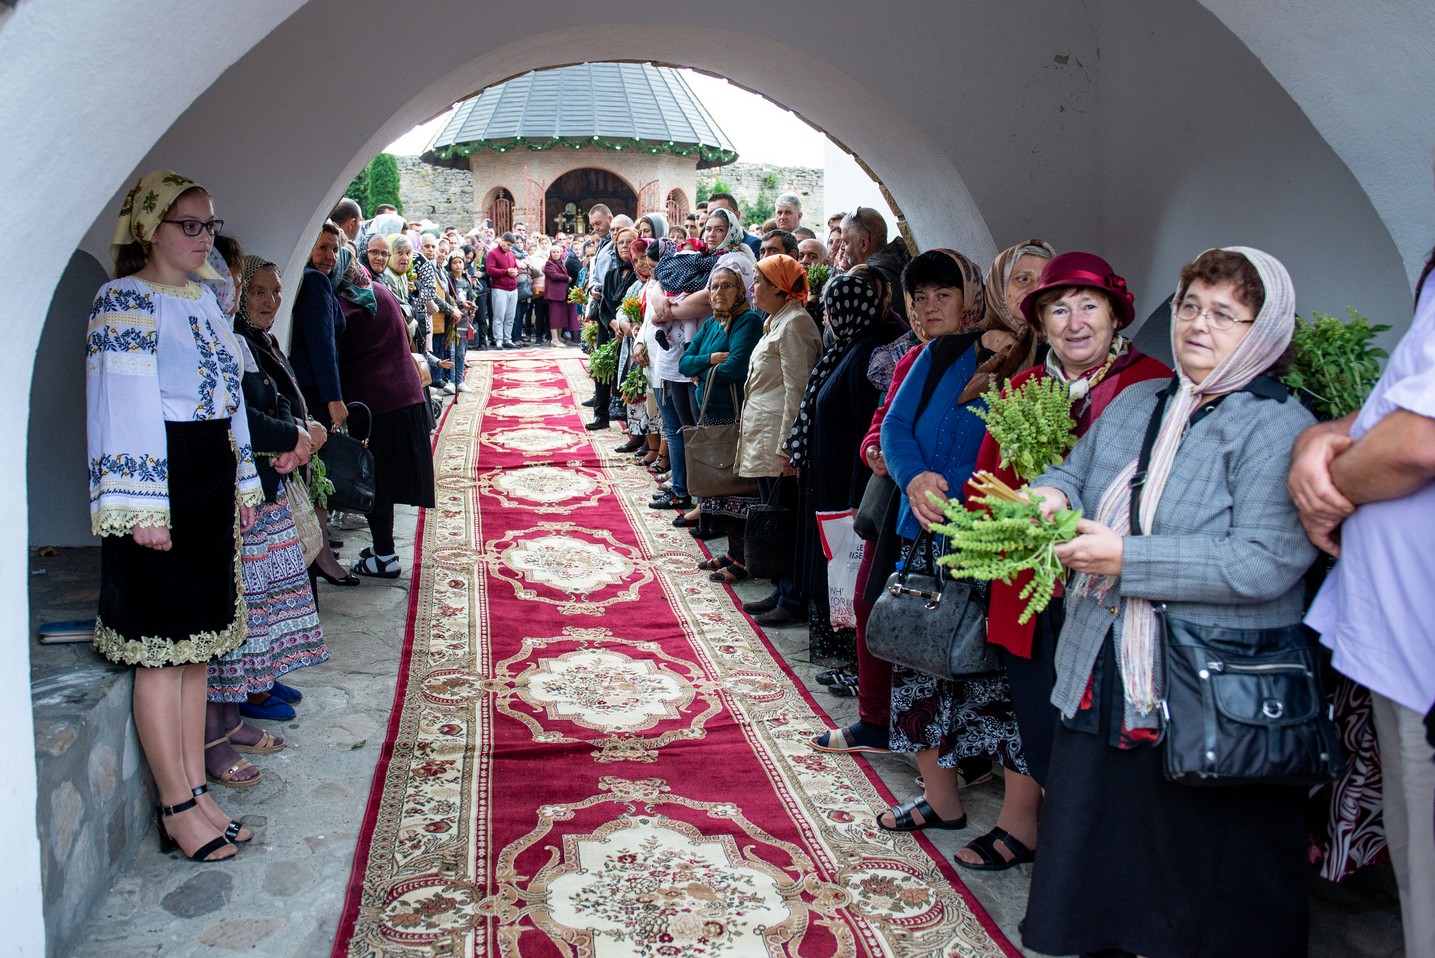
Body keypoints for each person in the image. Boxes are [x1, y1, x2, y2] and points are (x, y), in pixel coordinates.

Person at [1020, 247, 1317, 957]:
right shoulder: (1140, 400)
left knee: (1199, 874)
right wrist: (1052, 491)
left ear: (1264, 329)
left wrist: (1129, 561)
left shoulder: (1276, 424)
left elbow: (1266, 561)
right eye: (1188, 306)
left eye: (1223, 314)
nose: (1197, 326)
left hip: (1207, 689)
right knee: (1106, 850)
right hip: (1108, 665)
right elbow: (1076, 466)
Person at [950, 251, 1170, 872]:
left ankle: (1099, 867)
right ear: (1041, 325)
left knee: (1102, 743)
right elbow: (983, 486)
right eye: (1058, 309)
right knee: (1041, 728)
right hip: (1028, 594)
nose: (1075, 322)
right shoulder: (1021, 389)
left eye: (1089, 306)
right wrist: (1014, 518)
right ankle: (1057, 850)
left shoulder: (1152, 385)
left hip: (1110, 599)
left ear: (1115, 314)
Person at [88, 169, 259, 861]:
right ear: (148, 229)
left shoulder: (202, 299)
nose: (202, 237)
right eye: (188, 224)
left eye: (209, 224)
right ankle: (174, 806)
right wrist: (139, 507)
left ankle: (196, 789)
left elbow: (232, 400)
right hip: (159, 482)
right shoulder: (122, 301)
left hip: (207, 476)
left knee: (195, 652)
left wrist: (244, 482)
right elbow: (119, 407)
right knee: (162, 655)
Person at [1293, 243, 1435, 957]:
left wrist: (1328, 483)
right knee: (1416, 857)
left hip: (1421, 643)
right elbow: (1397, 406)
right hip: (1399, 639)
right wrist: (1325, 435)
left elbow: (1415, 442)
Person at [206, 248, 329, 786]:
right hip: (242, 483)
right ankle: (241, 702)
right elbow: (236, 411)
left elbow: (272, 397)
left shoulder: (252, 341)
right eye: (253, 290)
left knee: (272, 595)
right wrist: (292, 436)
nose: (265, 301)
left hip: (269, 476)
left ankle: (260, 682)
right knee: (251, 600)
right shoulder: (223, 338)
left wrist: (294, 432)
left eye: (273, 292)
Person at [786, 266, 901, 656]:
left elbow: (861, 429)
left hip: (842, 482)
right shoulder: (847, 347)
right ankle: (832, 647)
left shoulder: (866, 352)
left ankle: (849, 656)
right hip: (826, 475)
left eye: (830, 310)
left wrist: (856, 491)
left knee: (843, 568)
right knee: (829, 565)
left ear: (846, 311)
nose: (825, 318)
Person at [338, 243, 437, 579]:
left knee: (375, 480)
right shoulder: (377, 289)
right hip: (406, 394)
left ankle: (383, 555)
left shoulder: (342, 302)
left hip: (375, 402)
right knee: (388, 479)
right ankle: (384, 549)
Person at [735, 255, 823, 623]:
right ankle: (779, 587)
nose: (752, 288)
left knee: (783, 516)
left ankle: (792, 597)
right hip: (764, 432)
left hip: (780, 439)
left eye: (758, 281)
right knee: (773, 513)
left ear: (778, 287)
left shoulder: (796, 324)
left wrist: (791, 447)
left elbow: (798, 390)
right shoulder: (777, 320)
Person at [676, 263, 764, 573]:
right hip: (710, 416)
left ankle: (743, 559)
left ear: (741, 291)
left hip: (732, 418)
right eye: (714, 286)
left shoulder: (747, 321)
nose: (719, 292)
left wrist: (705, 370)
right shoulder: (714, 324)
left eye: (727, 286)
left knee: (737, 490)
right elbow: (684, 363)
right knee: (719, 491)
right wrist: (711, 361)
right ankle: (731, 552)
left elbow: (736, 368)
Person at [289, 223, 347, 430]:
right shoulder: (315, 281)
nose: (330, 257)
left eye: (335, 250)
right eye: (322, 248)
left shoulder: (304, 277)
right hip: (315, 387)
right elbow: (322, 343)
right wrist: (334, 397)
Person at [485, 232, 520, 349]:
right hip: (499, 288)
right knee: (499, 316)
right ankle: (498, 339)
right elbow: (490, 270)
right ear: (502, 240)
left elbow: (517, 267)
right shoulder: (493, 254)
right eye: (508, 244)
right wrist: (506, 271)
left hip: (513, 288)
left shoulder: (511, 254)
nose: (509, 248)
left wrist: (516, 272)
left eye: (511, 246)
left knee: (510, 316)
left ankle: (507, 339)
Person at [543, 242, 576, 347]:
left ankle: (559, 337)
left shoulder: (560, 262)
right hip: (554, 294)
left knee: (561, 316)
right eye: (553, 252)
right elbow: (554, 276)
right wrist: (567, 278)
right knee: (555, 317)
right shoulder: (549, 263)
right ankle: (554, 339)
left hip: (561, 294)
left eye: (558, 252)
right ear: (550, 253)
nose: (556, 254)